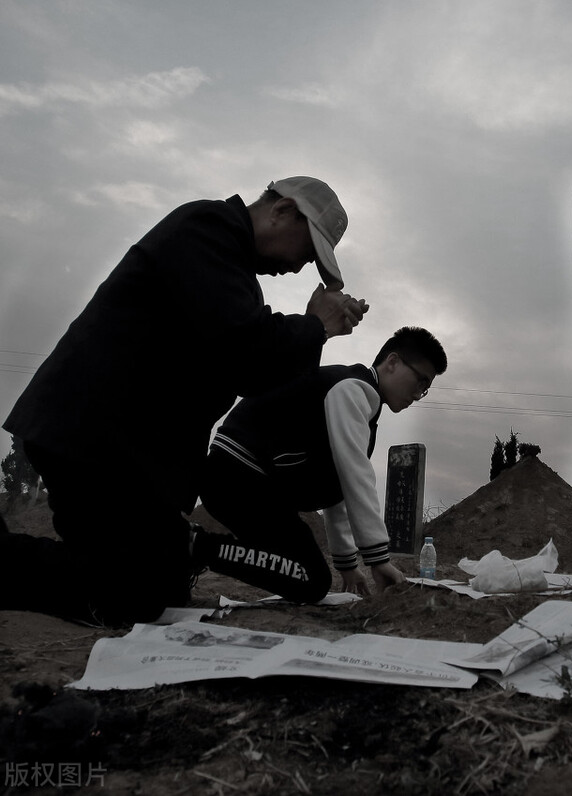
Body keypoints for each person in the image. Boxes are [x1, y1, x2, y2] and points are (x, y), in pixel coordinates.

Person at [1, 176, 368, 625]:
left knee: (163, 586)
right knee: (128, 596)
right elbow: (243, 346)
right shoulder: (207, 229)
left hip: (124, 454)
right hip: (90, 442)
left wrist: (314, 331)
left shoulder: (232, 266)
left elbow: (254, 375)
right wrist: (314, 326)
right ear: (282, 211)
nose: (299, 267)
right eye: (307, 251)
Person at [191, 327, 447, 602]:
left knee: (309, 575)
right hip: (237, 476)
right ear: (393, 362)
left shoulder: (361, 401)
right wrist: (378, 558)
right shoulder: (353, 389)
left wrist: (348, 565)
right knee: (310, 579)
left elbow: (335, 484)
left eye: (425, 388)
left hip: (250, 483)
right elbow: (354, 473)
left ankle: (197, 546)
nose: (418, 394)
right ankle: (195, 545)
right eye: (419, 381)